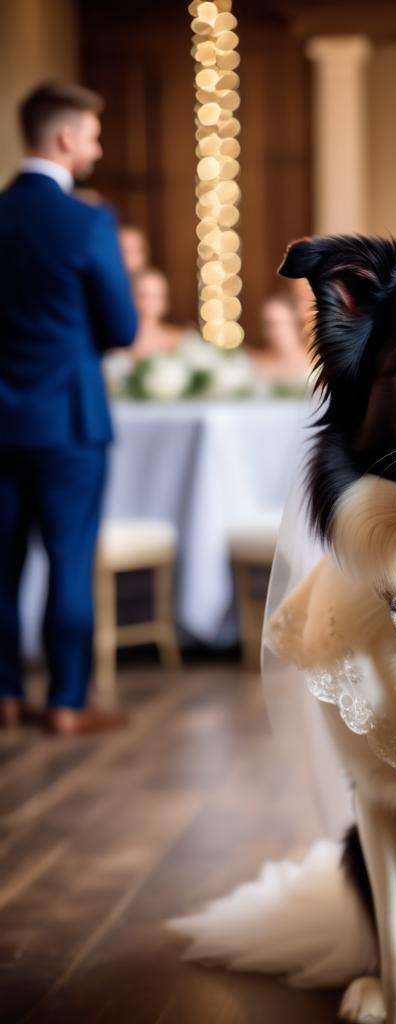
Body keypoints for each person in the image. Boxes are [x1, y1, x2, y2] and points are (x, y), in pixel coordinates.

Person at [0, 82, 137, 734]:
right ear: (64, 139)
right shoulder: (86, 221)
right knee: (69, 558)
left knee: (0, 566)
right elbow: (122, 325)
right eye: (92, 133)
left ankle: (3, 695)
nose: (97, 145)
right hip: (70, 422)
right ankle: (65, 702)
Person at [249, 293, 312, 389]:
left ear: (295, 324)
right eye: (268, 324)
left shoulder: (316, 364)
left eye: (280, 324)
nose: (274, 331)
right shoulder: (255, 364)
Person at [129, 266, 195, 359]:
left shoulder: (181, 340)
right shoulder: (116, 341)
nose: (149, 303)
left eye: (156, 297)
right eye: (143, 295)